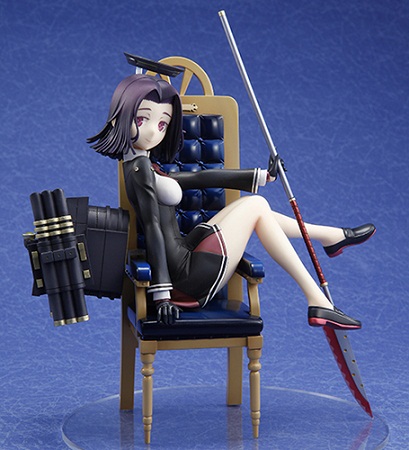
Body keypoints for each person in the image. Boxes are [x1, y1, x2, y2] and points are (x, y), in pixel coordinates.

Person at [88, 74, 375, 326]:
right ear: (121, 117)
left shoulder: (144, 165)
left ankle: (330, 239)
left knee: (258, 210)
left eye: (163, 124)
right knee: (256, 206)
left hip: (186, 254)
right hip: (186, 278)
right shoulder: (139, 170)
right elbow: (152, 229)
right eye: (142, 120)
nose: (153, 131)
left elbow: (199, 178)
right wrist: (162, 295)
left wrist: (261, 176)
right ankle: (317, 295)